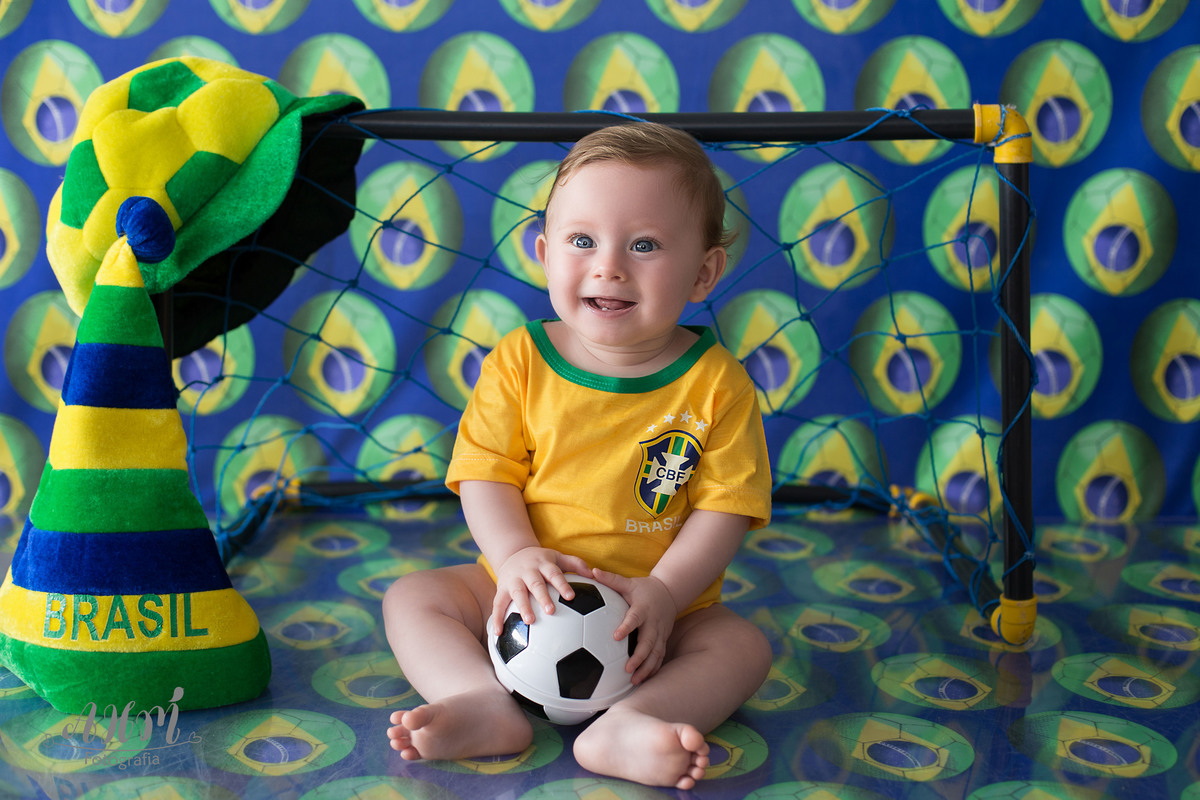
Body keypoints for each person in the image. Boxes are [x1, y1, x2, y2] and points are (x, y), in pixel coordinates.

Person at [382, 121, 773, 790]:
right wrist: (514, 558)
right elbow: (484, 474)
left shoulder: (718, 384)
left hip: (657, 612)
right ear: (545, 254)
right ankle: (479, 699)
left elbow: (725, 509)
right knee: (412, 597)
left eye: (644, 245)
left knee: (742, 648)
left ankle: (634, 722)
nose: (608, 266)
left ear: (703, 272)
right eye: (583, 241)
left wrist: (665, 594)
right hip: (524, 593)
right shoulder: (519, 361)